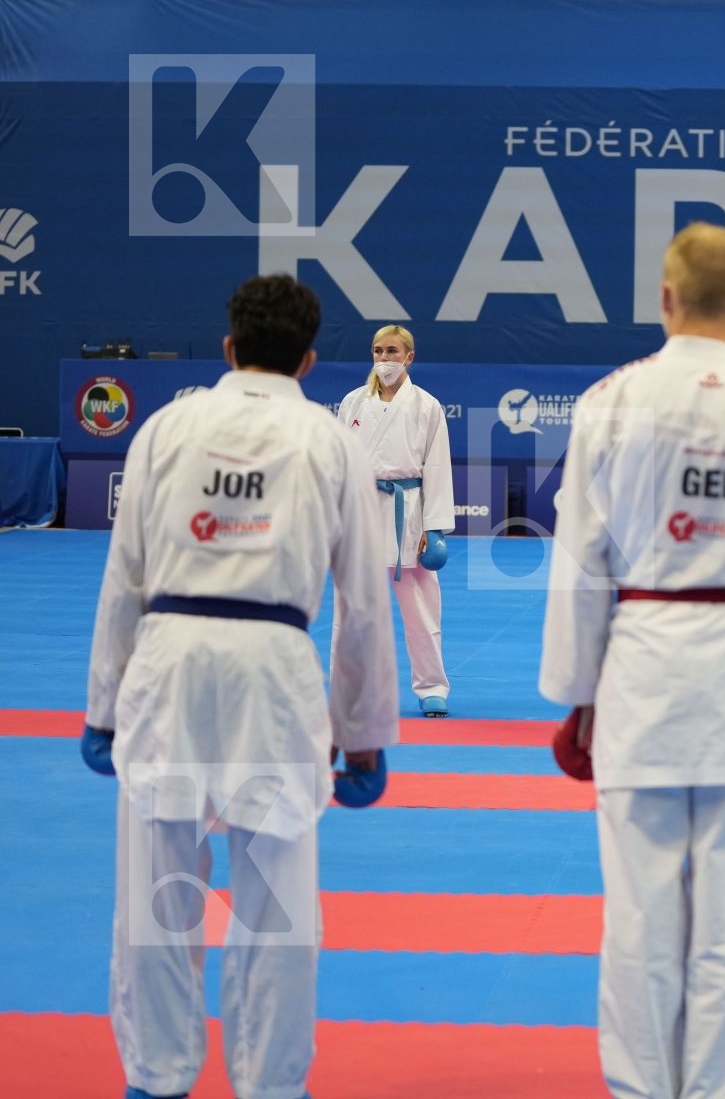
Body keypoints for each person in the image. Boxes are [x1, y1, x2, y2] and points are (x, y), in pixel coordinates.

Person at [540, 223, 725, 1099]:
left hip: (642, 670)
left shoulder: (611, 402)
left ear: (664, 300)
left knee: (637, 916)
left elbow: (582, 559)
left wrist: (576, 695)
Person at [84, 273, 397, 1099]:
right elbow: (365, 600)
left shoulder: (168, 426)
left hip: (170, 662)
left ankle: (157, 1076)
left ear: (228, 349)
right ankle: (270, 1083)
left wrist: (103, 708)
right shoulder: (331, 441)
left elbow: (124, 575)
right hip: (274, 669)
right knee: (276, 901)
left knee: (159, 888)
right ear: (307, 358)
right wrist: (362, 731)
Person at [338, 325, 456, 718]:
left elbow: (437, 467)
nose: (384, 358)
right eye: (378, 350)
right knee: (352, 611)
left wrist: (434, 526)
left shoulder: (426, 406)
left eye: (392, 351)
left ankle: (432, 687)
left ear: (409, 357)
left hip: (408, 510)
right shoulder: (353, 402)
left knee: (423, 614)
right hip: (362, 510)